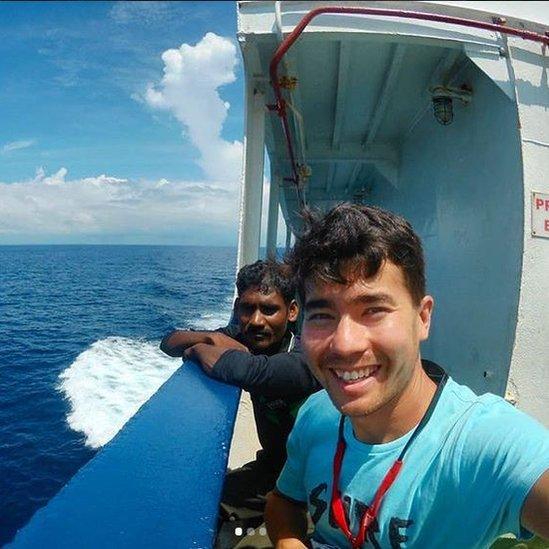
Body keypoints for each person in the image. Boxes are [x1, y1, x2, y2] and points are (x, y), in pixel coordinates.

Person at [265, 203, 549, 548]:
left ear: (422, 318)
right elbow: (284, 502)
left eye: (373, 310)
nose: (344, 344)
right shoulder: (317, 413)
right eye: (322, 315)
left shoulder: (483, 443)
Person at [160, 259, 320, 544]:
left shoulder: (305, 360)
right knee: (194, 502)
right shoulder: (245, 336)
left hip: (314, 489)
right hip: (272, 470)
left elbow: (247, 370)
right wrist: (209, 337)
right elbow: (169, 342)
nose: (257, 321)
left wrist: (199, 349)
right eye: (248, 309)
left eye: (269, 309)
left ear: (292, 311)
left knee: (245, 543)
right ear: (237, 309)